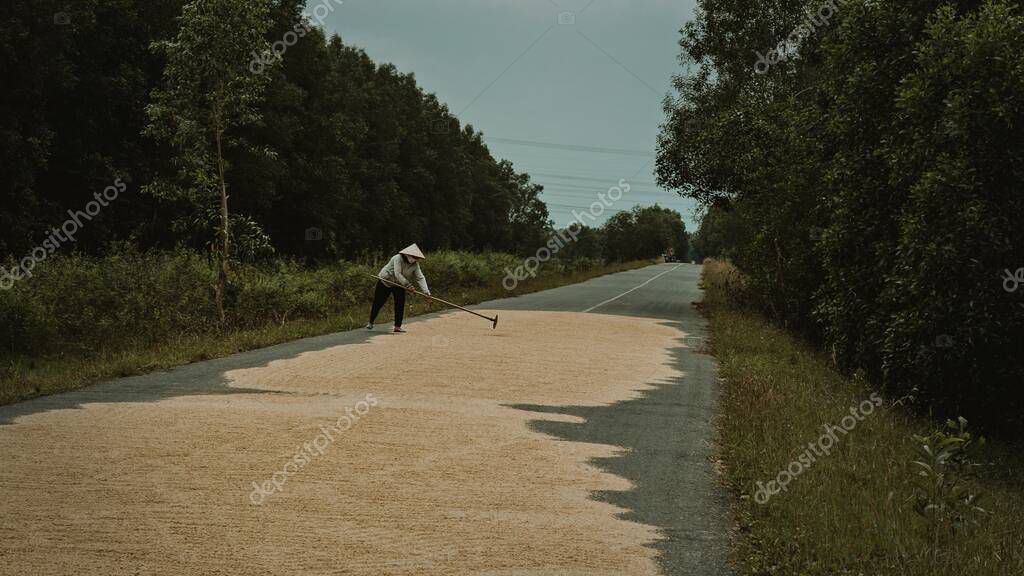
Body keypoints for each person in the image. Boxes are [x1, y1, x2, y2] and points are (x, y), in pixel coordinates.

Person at [366, 244, 430, 333]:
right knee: (378, 302)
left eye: (416, 258)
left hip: (399, 284)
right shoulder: (397, 258)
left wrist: (426, 292)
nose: (415, 259)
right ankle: (371, 322)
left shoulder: (415, 264)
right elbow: (397, 273)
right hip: (386, 281)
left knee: (400, 304)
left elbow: (420, 277)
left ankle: (397, 326)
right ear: (408, 255)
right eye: (414, 257)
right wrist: (408, 285)